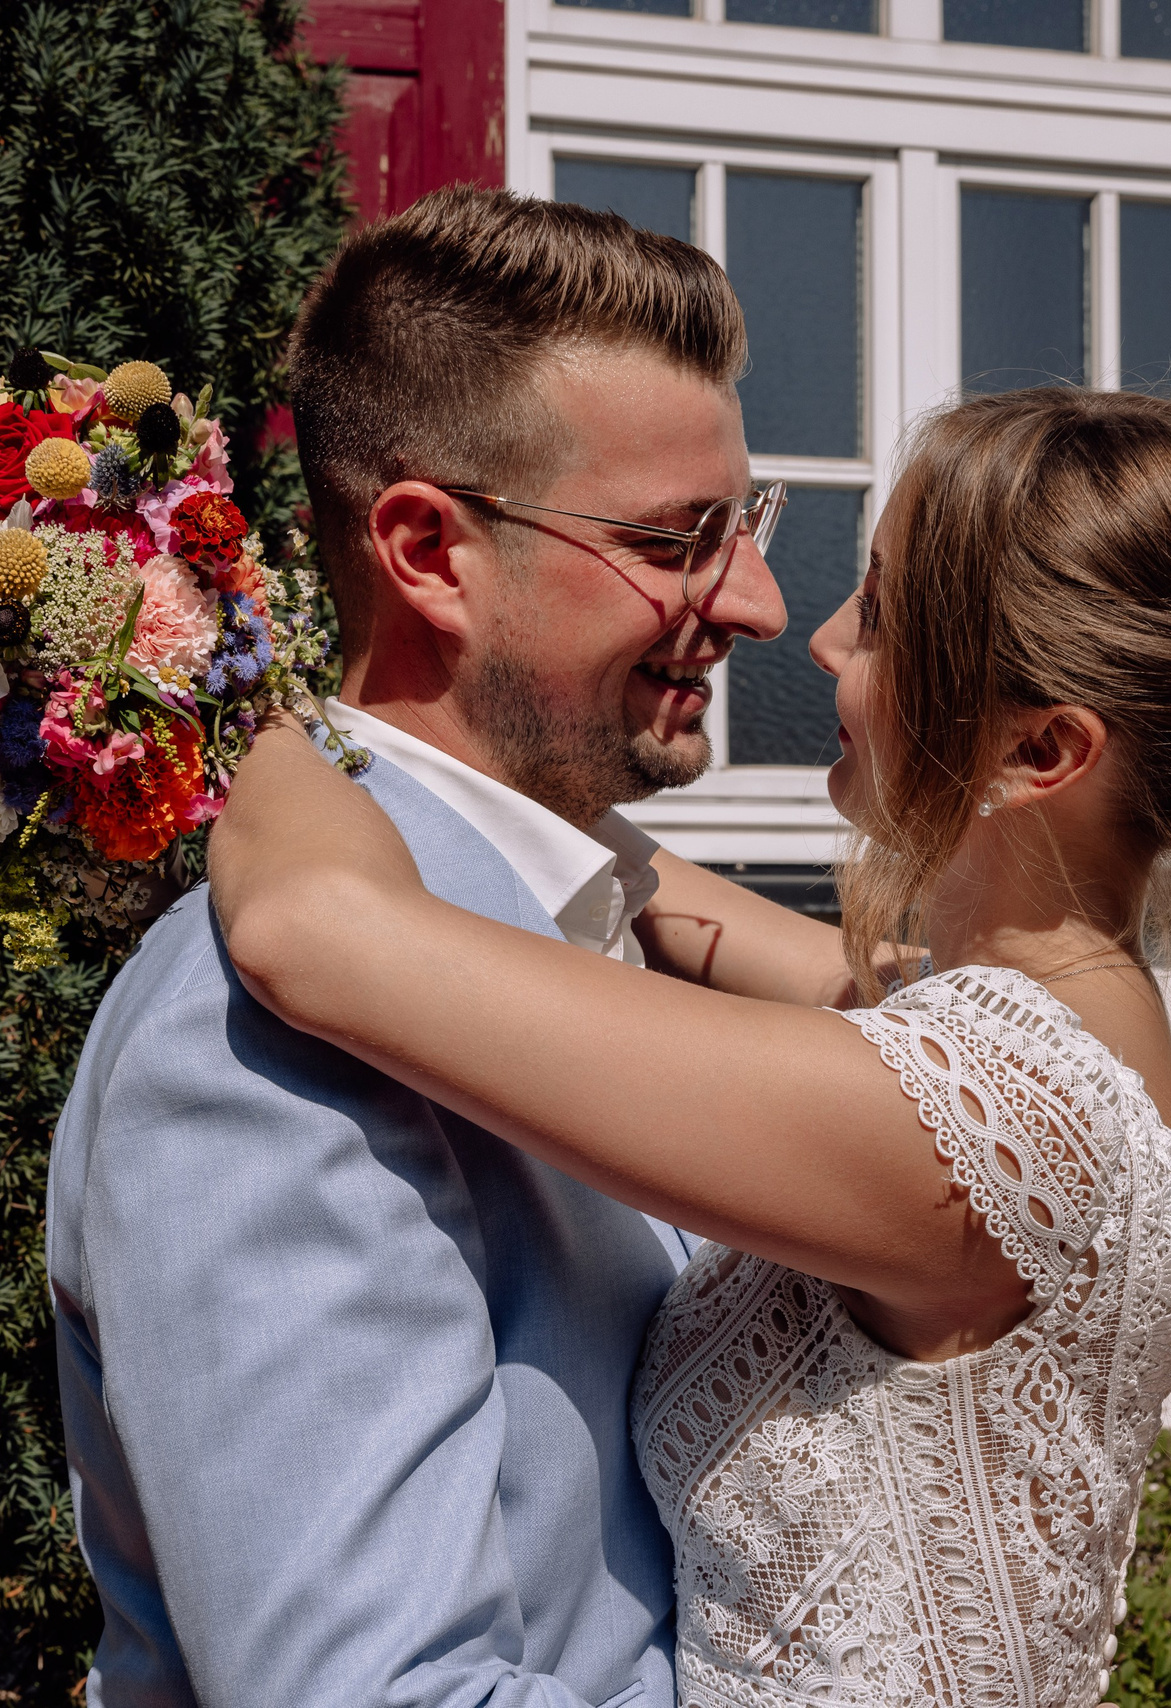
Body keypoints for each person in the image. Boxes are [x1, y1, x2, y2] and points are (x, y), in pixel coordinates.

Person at [208, 386, 1171, 1708]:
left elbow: (312, 929)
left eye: (876, 614)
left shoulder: (995, 1126)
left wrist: (227, 685)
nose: (817, 641)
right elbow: (651, 896)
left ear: (1039, 748)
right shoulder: (1036, 1035)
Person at [46, 186, 793, 1707]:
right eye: (676, 539)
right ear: (427, 551)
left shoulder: (584, 922)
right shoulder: (260, 1044)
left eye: (748, 523)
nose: (761, 604)